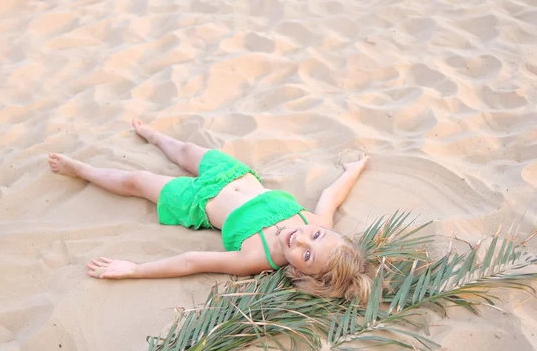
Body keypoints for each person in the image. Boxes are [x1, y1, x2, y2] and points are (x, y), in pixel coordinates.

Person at [48, 119, 373, 301]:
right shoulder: (316, 218)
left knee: (137, 180)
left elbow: (192, 262)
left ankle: (81, 170)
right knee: (185, 150)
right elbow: (332, 193)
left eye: (306, 255)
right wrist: (353, 170)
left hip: (196, 201)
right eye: (315, 235)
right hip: (234, 173)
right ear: (325, 229)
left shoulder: (255, 258)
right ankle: (152, 134)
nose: (300, 239)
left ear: (300, 273)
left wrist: (134, 269)